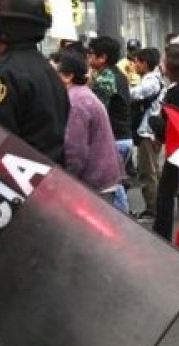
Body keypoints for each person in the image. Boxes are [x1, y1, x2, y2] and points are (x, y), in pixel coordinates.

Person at [0, 0, 141, 346]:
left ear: (0, 25)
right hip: (41, 212)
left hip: (11, 221)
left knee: (49, 337)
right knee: (0, 335)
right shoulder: (45, 72)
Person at [57, 50, 124, 205]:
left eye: (57, 72)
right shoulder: (84, 95)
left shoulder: (75, 101)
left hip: (94, 181)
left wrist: (65, 180)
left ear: (68, 75)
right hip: (104, 176)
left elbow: (74, 150)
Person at [149, 42, 179, 242]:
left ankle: (161, 236)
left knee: (166, 192)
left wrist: (155, 124)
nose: (160, 64)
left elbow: (175, 126)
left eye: (163, 60)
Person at [87, 35, 133, 214]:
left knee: (113, 183)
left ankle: (124, 221)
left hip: (115, 137)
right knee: (116, 181)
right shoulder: (118, 74)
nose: (89, 58)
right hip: (124, 136)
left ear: (103, 57)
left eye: (91, 54)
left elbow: (96, 110)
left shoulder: (106, 78)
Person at [129, 47, 164, 221]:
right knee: (153, 169)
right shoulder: (155, 78)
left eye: (137, 61)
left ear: (144, 63)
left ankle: (152, 209)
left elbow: (136, 94)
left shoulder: (151, 80)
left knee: (147, 171)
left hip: (147, 131)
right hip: (150, 130)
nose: (135, 65)